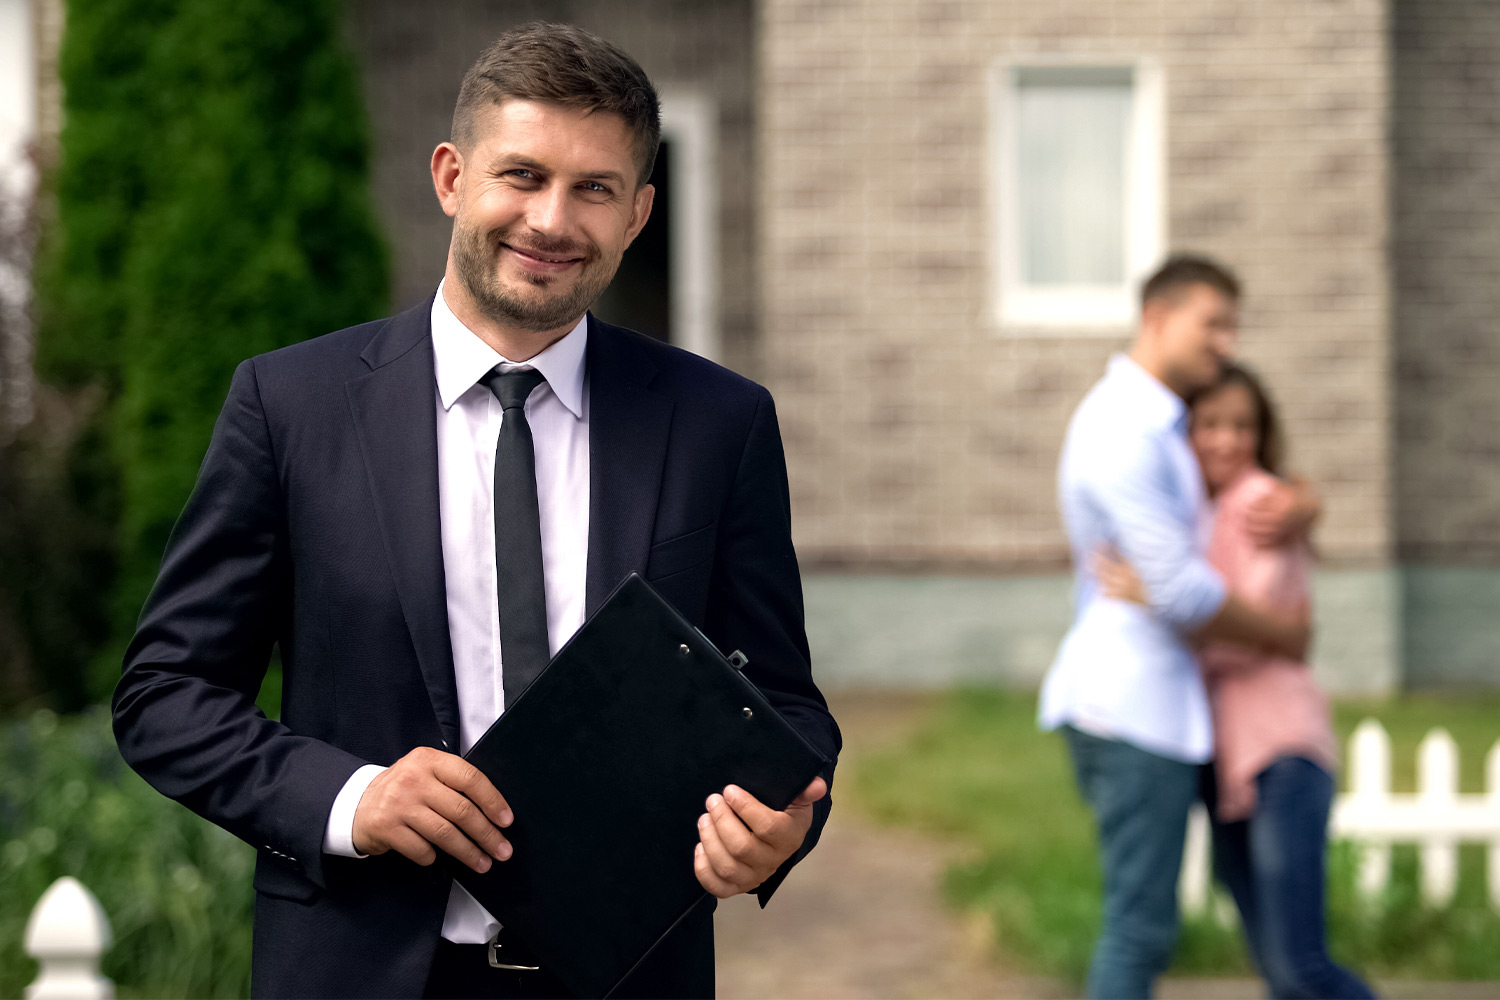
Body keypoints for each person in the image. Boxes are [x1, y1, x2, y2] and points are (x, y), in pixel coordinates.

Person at [111, 22, 840, 999]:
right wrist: (351, 796)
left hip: (628, 974)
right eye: (522, 175)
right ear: (452, 177)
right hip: (362, 970)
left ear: (638, 214)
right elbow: (167, 693)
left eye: (595, 189)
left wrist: (784, 823)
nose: (551, 220)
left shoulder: (720, 423)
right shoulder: (291, 407)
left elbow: (785, 705)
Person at [1038, 254, 1319, 1000]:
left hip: (1168, 707)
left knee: (1161, 927)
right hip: (1129, 707)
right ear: (1157, 319)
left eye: (1233, 326)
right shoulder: (1123, 428)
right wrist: (1284, 636)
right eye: (1213, 323)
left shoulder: (1165, 424)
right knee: (1140, 929)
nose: (1227, 342)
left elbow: (1233, 506)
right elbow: (1182, 590)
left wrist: (1303, 501)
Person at [1098, 364, 1376, 1000]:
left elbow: (1259, 627)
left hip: (1282, 751)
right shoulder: (1197, 510)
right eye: (1210, 425)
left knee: (1301, 967)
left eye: (1243, 426)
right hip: (1227, 762)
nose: (1227, 440)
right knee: (1280, 973)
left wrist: (1157, 596)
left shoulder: (1260, 504)